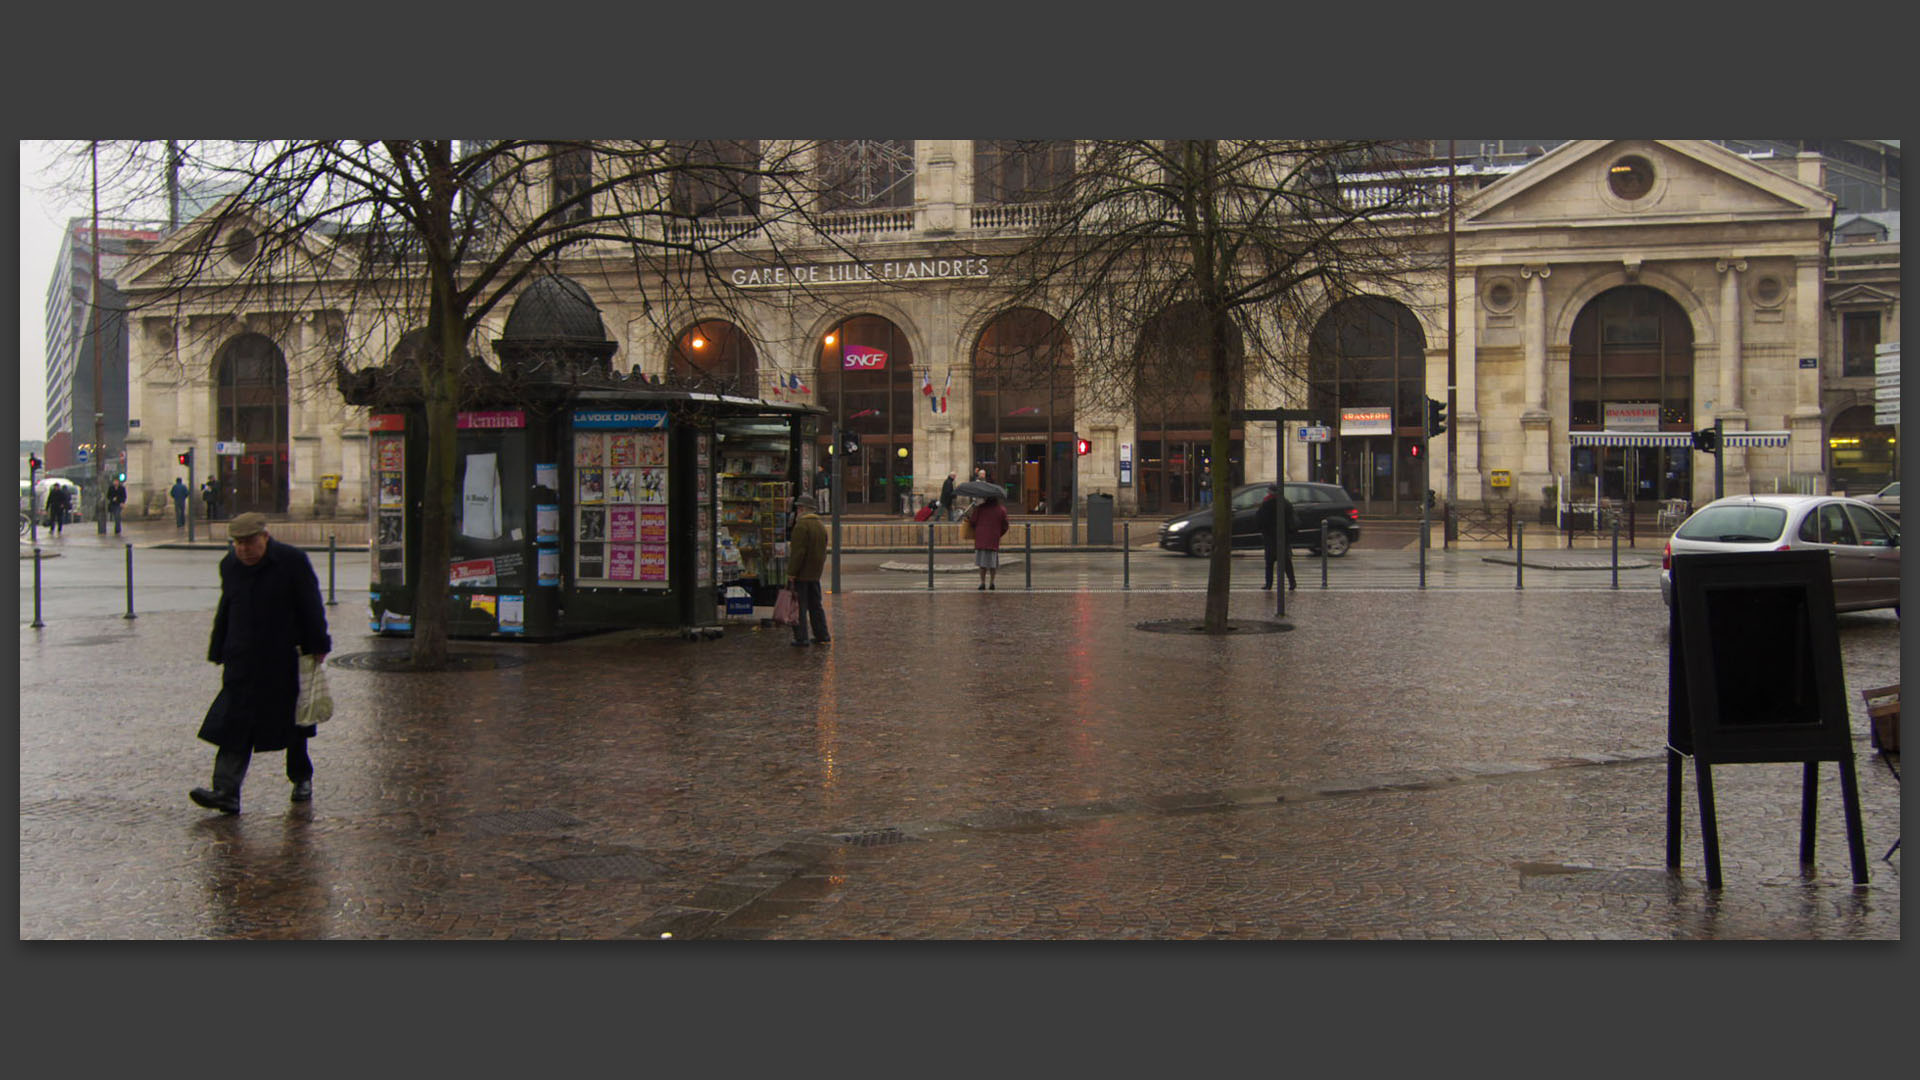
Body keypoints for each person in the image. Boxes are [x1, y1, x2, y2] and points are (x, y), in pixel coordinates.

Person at [188, 512, 332, 814]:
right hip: (242, 658)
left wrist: (317, 644)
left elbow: (310, 605)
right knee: (234, 724)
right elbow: (226, 608)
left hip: (282, 657)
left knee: (293, 724)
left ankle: (301, 778)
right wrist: (219, 648)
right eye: (238, 543)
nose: (243, 550)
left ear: (264, 537)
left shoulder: (292, 562)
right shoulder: (230, 566)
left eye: (249, 543)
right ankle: (226, 791)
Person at [785, 494, 831, 646]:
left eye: (798, 508)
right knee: (816, 605)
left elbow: (798, 553)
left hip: (802, 574)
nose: (797, 511)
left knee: (800, 607)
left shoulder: (801, 526)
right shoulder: (820, 526)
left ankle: (801, 637)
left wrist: (791, 573)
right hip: (815, 573)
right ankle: (822, 634)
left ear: (802, 509)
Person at [1256, 485, 1297, 591]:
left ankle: (1268, 584)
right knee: (1286, 562)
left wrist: (1262, 530)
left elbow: (1259, 519)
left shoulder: (1266, 504)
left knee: (1269, 563)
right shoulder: (1286, 503)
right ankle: (1292, 582)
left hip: (1270, 537)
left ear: (1270, 492)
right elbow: (1292, 520)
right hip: (1283, 537)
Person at [970, 494, 1009, 590]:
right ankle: (992, 582)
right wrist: (998, 534)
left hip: (981, 538)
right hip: (993, 539)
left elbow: (972, 522)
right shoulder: (1001, 510)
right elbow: (1005, 525)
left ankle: (982, 582)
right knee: (992, 563)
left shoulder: (980, 509)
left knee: (982, 563)